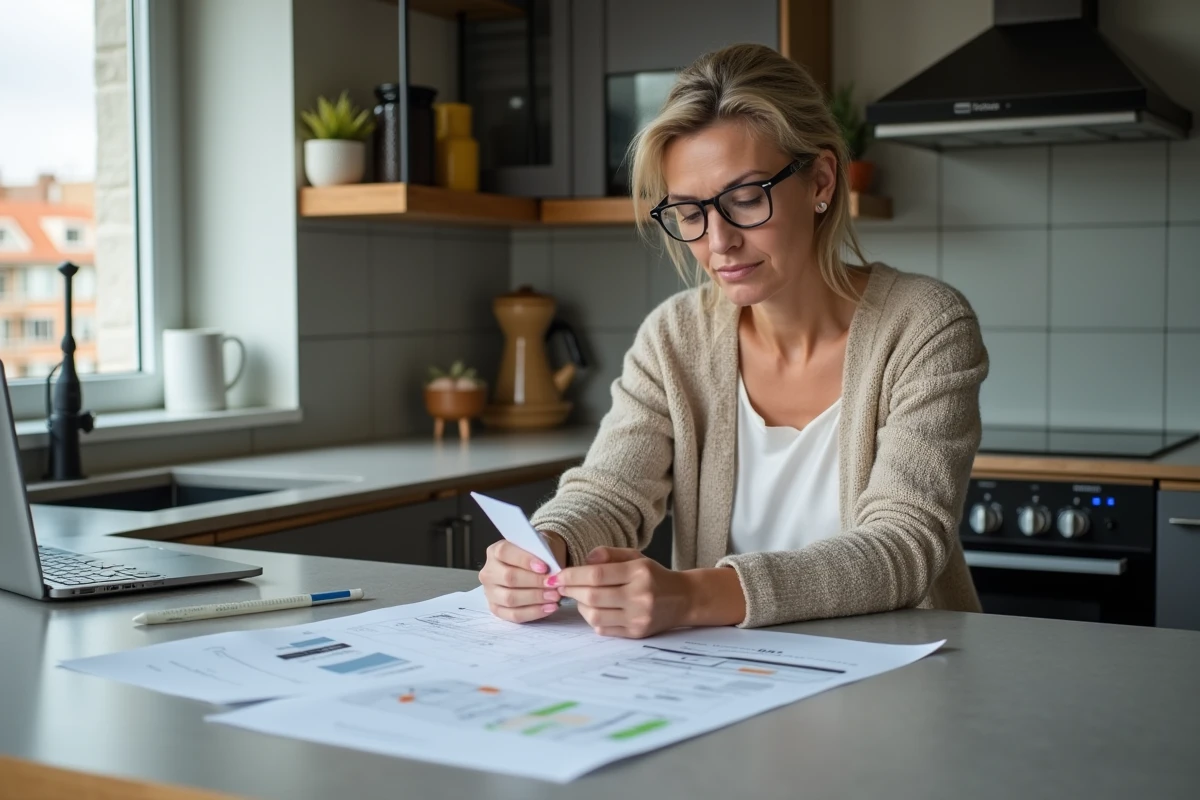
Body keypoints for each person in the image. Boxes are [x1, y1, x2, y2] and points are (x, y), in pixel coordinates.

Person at [479, 42, 989, 638]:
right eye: (690, 212)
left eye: (746, 199)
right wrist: (550, 544)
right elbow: (612, 490)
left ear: (820, 180)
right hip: (729, 681)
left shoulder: (925, 325)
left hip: (900, 676)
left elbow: (903, 547)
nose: (717, 242)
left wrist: (697, 595)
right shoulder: (675, 336)